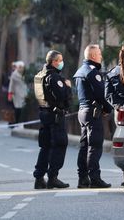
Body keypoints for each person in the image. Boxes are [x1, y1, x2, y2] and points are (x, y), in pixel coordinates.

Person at [73, 44, 113, 188]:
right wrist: (109, 108)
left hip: (83, 111)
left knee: (84, 147)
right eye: (99, 54)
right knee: (95, 146)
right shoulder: (92, 72)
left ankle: (82, 178)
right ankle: (95, 178)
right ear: (93, 56)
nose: (101, 56)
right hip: (92, 113)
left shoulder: (80, 71)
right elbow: (101, 95)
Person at [33, 50, 72, 189]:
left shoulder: (39, 76)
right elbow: (63, 97)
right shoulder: (54, 77)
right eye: (60, 60)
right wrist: (67, 86)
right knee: (59, 144)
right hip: (55, 116)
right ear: (54, 61)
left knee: (45, 146)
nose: (61, 62)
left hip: (44, 113)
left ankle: (39, 178)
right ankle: (53, 177)